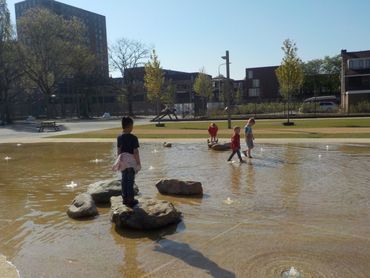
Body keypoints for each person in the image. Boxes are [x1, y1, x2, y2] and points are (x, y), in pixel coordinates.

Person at [116, 116, 141, 208]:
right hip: (130, 162)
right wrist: (138, 163)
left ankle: (124, 198)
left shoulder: (119, 137)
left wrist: (118, 160)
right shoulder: (133, 138)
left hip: (122, 160)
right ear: (129, 126)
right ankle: (130, 199)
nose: (132, 127)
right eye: (132, 125)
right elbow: (135, 152)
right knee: (130, 180)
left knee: (124, 180)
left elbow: (119, 150)